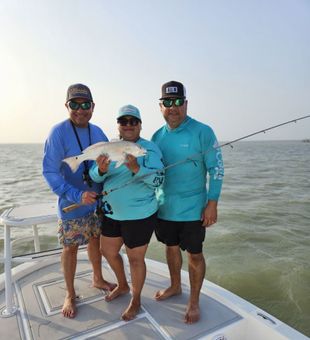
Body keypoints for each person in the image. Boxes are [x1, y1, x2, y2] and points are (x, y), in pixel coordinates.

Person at [151, 81, 224, 324]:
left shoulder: (203, 131)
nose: (173, 108)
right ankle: (175, 286)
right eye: (168, 103)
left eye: (178, 102)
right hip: (164, 208)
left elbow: (216, 169)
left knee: (195, 254)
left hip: (194, 209)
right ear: (160, 106)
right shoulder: (156, 137)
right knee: (170, 247)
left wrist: (212, 202)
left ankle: (194, 300)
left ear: (186, 104)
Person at [42, 83, 115, 318]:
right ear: (67, 106)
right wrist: (76, 195)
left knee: (95, 241)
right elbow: (50, 172)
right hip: (71, 204)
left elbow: (108, 168)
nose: (80, 110)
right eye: (75, 104)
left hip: (96, 203)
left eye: (85, 105)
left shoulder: (99, 133)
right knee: (70, 248)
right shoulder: (58, 132)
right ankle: (70, 293)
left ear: (93, 107)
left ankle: (97, 278)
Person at [89, 104, 164, 321]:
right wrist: (101, 169)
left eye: (133, 121)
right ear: (118, 126)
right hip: (112, 213)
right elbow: (95, 176)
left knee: (135, 259)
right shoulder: (110, 147)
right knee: (108, 251)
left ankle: (137, 299)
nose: (128, 125)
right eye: (124, 121)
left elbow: (159, 180)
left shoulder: (149, 149)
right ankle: (122, 285)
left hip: (140, 215)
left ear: (140, 125)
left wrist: (136, 169)